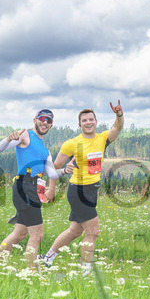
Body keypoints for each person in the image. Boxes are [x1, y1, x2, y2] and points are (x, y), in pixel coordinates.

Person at [42, 101, 124, 273]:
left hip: (92, 190)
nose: (88, 123)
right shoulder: (71, 144)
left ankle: (47, 258)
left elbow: (117, 129)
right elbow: (55, 166)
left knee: (75, 231)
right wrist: (51, 188)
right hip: (78, 191)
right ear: (79, 124)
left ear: (96, 122)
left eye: (91, 120)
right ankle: (85, 270)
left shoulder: (102, 139)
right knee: (93, 231)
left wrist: (118, 115)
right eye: (84, 120)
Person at [0, 109, 70, 269]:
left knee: (20, 233)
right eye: (42, 118)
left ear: (51, 125)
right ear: (35, 119)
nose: (45, 122)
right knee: (37, 234)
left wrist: (65, 171)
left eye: (49, 121)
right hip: (25, 186)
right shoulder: (25, 135)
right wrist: (8, 139)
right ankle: (33, 272)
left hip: (33, 188)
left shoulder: (45, 150)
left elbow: (51, 173)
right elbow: (0, 148)